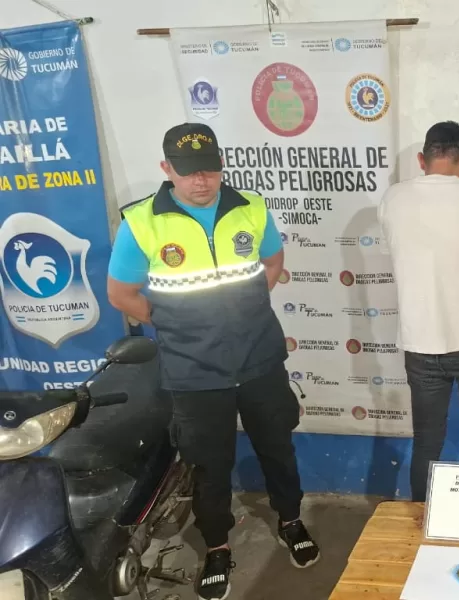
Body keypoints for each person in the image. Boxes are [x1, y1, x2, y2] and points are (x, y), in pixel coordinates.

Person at [107, 123, 320, 600]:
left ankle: (291, 521)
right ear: (167, 169)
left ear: (221, 165)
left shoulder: (251, 207)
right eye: (188, 172)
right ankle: (218, 548)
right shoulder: (142, 222)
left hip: (260, 360)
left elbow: (273, 262)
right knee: (208, 466)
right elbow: (121, 294)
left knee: (278, 450)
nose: (200, 180)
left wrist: (244, 315)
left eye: (208, 169)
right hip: (194, 371)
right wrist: (175, 325)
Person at [378, 121, 459, 502]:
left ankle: (421, 523)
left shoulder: (393, 199)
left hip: (420, 343)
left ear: (422, 160)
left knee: (427, 443)